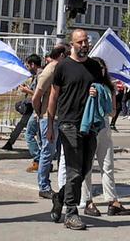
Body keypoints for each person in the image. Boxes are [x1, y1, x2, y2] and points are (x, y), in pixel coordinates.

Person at [47, 28, 106, 230]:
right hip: (67, 123)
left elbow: (103, 91)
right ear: (72, 44)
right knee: (73, 169)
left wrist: (97, 91)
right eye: (80, 42)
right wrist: (50, 125)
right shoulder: (63, 67)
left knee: (84, 169)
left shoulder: (93, 67)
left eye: (86, 42)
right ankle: (71, 213)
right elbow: (53, 97)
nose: (84, 45)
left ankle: (60, 197)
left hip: (89, 124)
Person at [79, 57, 130, 217]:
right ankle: (87, 201)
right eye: (97, 67)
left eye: (102, 67)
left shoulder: (109, 87)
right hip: (89, 128)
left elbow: (113, 112)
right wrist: (90, 94)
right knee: (86, 166)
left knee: (107, 165)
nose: (100, 70)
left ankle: (112, 201)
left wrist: (104, 100)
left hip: (104, 128)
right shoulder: (86, 85)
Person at [31, 44, 67, 198]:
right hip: (48, 118)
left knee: (60, 153)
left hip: (61, 117)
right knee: (48, 151)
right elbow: (36, 96)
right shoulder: (50, 70)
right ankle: (44, 186)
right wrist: (41, 113)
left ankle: (63, 184)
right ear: (61, 56)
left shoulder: (61, 69)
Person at [4, 53, 41, 164]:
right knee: (25, 127)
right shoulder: (36, 76)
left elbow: (40, 93)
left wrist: (27, 91)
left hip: (37, 108)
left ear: (33, 64)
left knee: (29, 134)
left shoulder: (41, 75)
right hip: (33, 107)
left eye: (28, 66)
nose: (28, 69)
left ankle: (39, 159)